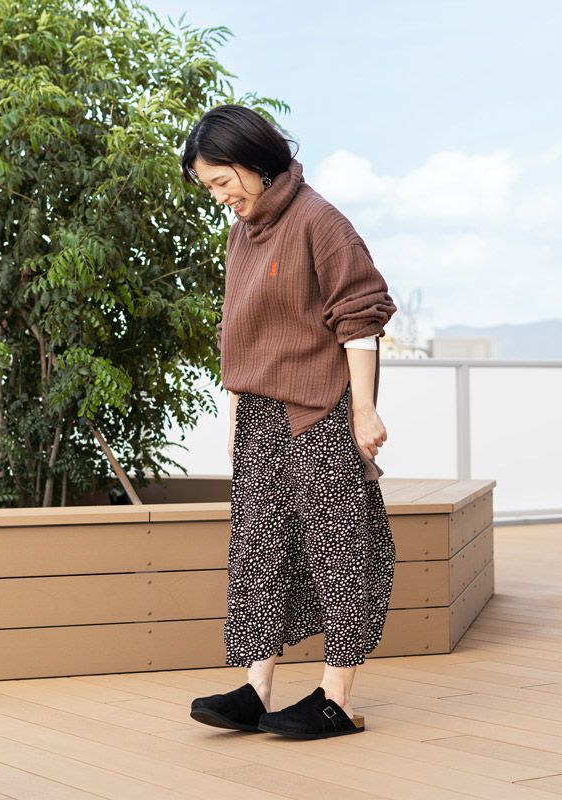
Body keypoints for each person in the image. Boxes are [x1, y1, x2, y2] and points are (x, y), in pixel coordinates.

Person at [182, 105, 398, 740]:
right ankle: (256, 690)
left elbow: (360, 316)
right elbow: (240, 330)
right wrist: (236, 411)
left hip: (319, 410)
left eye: (223, 181)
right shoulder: (243, 234)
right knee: (257, 550)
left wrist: (364, 409)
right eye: (209, 187)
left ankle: (337, 697)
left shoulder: (320, 221)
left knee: (341, 547)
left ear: (255, 161)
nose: (220, 197)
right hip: (259, 411)